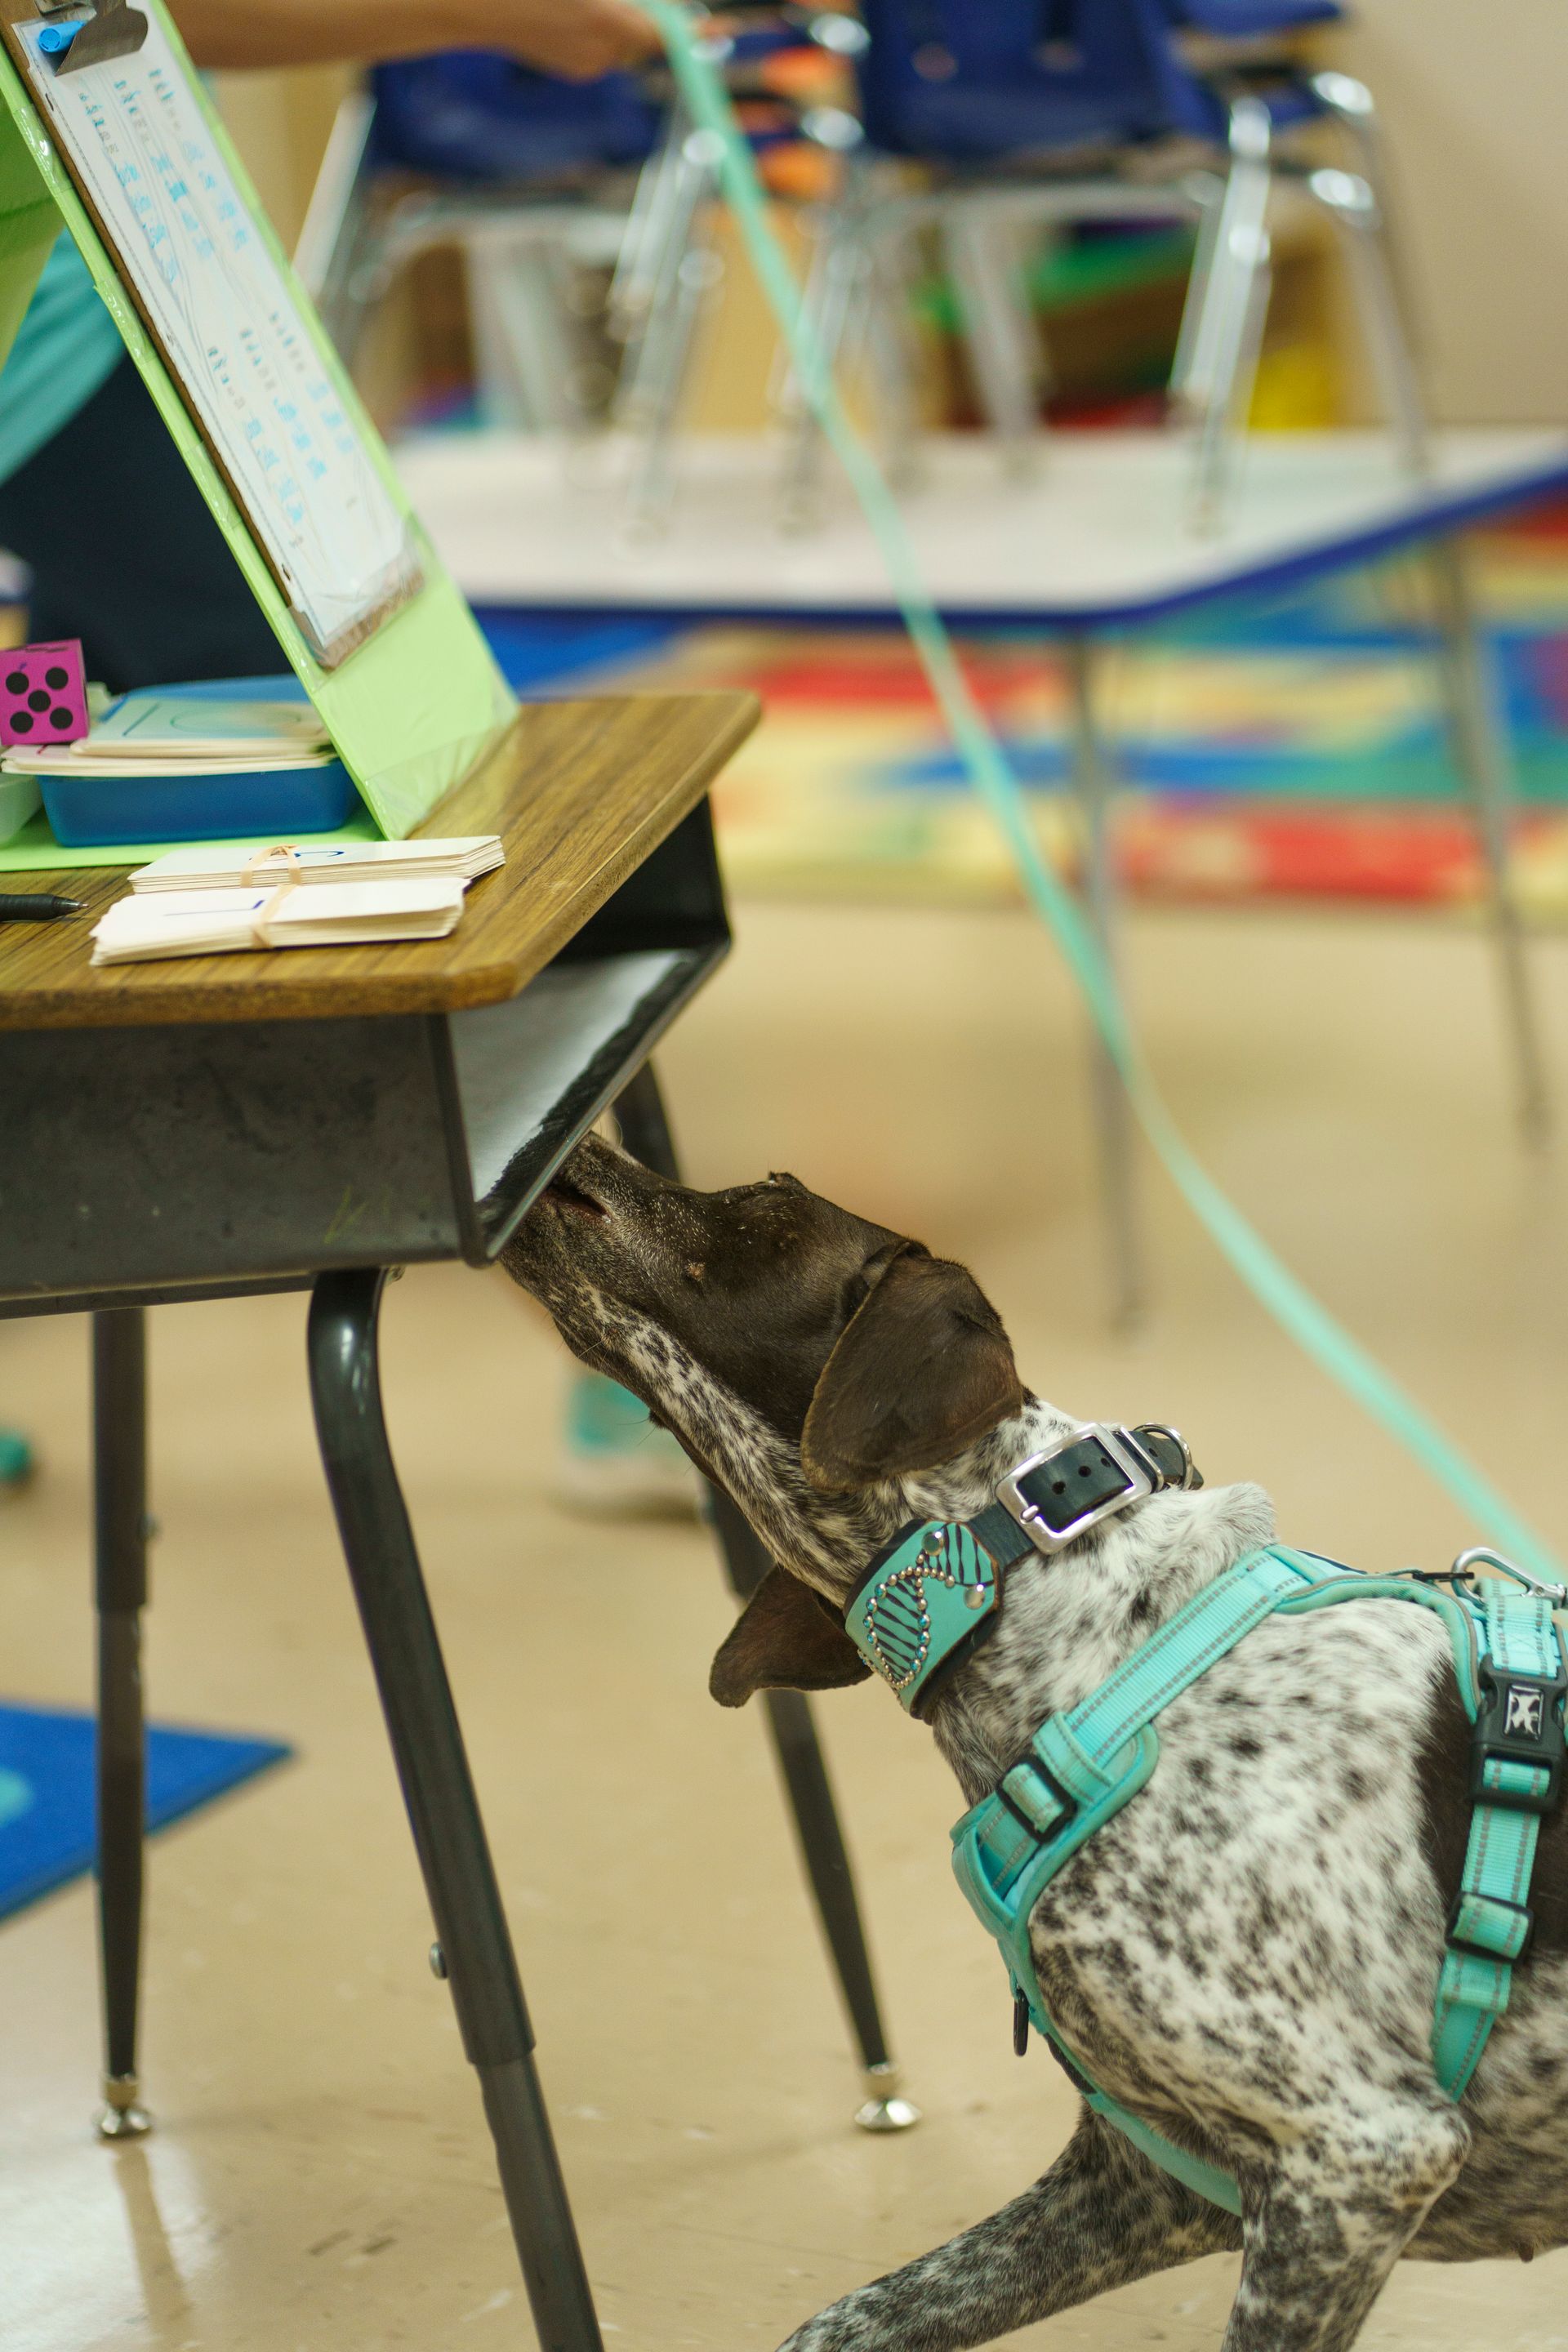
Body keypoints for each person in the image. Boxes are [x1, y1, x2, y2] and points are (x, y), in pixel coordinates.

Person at [0, 0, 658, 688]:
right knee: (341, 709)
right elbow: (116, 13)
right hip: (67, 340)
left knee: (104, 732)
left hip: (127, 299)